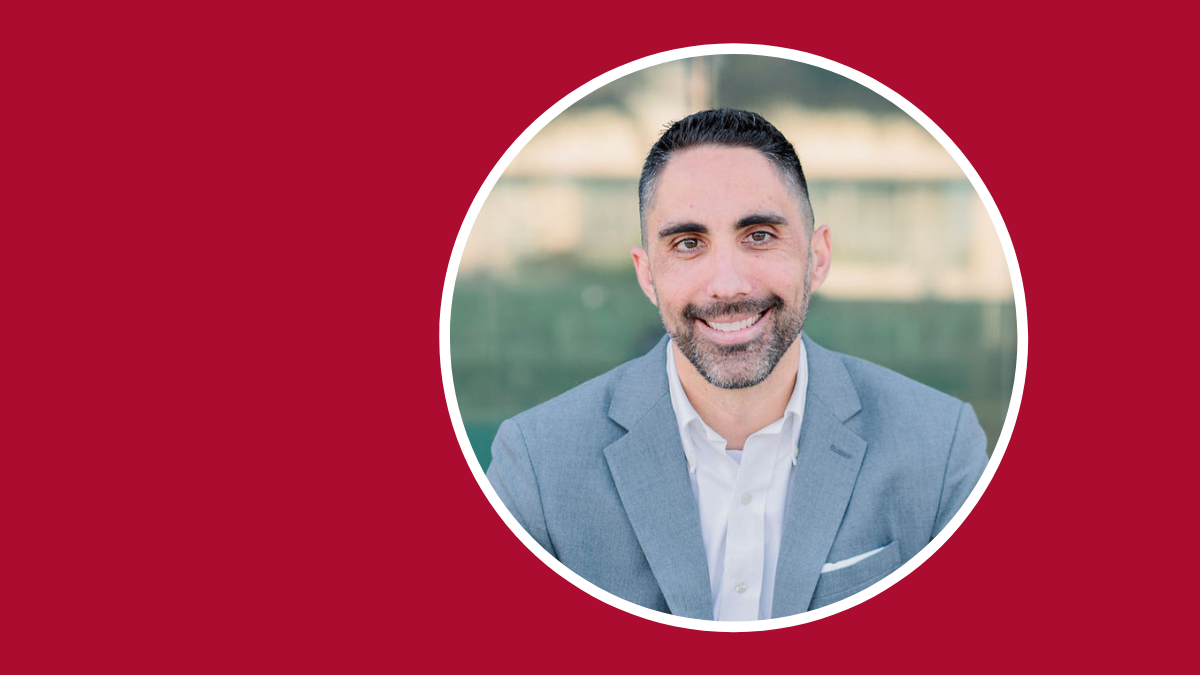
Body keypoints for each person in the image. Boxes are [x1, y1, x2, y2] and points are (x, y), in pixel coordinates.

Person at [486, 109, 988, 621]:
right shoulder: (538, 469)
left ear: (817, 257)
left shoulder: (941, 451)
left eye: (759, 235)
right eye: (688, 244)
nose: (727, 284)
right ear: (647, 277)